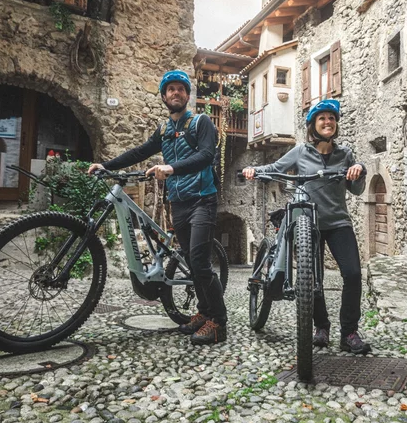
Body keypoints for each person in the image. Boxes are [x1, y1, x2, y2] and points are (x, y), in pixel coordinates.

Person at [88, 70, 227, 345]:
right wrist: (107, 165)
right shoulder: (163, 130)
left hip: (202, 199)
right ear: (164, 96)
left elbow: (206, 156)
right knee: (190, 259)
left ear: (187, 95)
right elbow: (140, 151)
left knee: (200, 262)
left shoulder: (201, 123)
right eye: (170, 90)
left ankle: (219, 322)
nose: (176, 93)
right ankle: (203, 311)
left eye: (180, 89)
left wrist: (170, 167)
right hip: (179, 202)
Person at [242, 99, 370, 354]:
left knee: (353, 274)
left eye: (332, 119)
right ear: (313, 125)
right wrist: (253, 170)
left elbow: (356, 190)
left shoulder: (344, 154)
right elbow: (276, 168)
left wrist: (359, 170)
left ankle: (349, 332)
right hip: (307, 222)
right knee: (312, 278)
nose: (328, 122)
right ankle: (321, 326)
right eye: (322, 119)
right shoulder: (301, 152)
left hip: (337, 222)